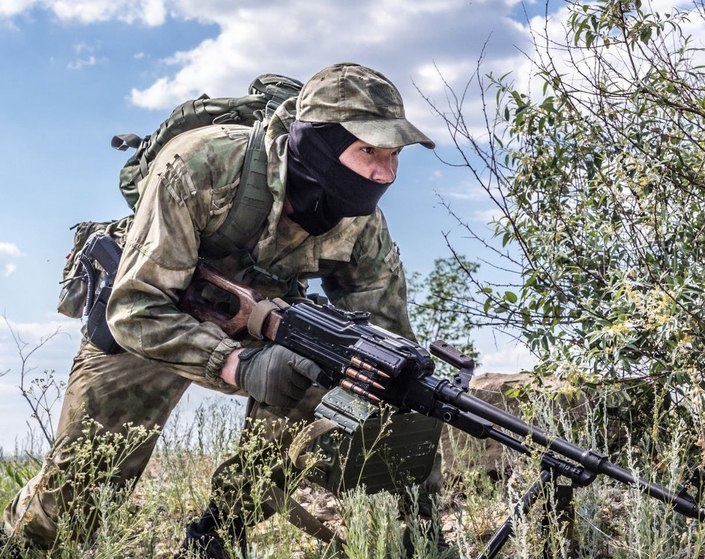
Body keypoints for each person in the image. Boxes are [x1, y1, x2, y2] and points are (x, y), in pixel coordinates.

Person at [1, 62, 439, 557]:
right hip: (150, 319)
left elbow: (387, 342)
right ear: (318, 142)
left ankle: (219, 532)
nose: (386, 173)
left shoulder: (363, 228)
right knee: (79, 495)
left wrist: (422, 521)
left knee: (331, 380)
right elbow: (135, 306)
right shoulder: (201, 164)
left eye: (394, 154)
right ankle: (20, 536)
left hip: (263, 321)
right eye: (368, 151)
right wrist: (239, 366)